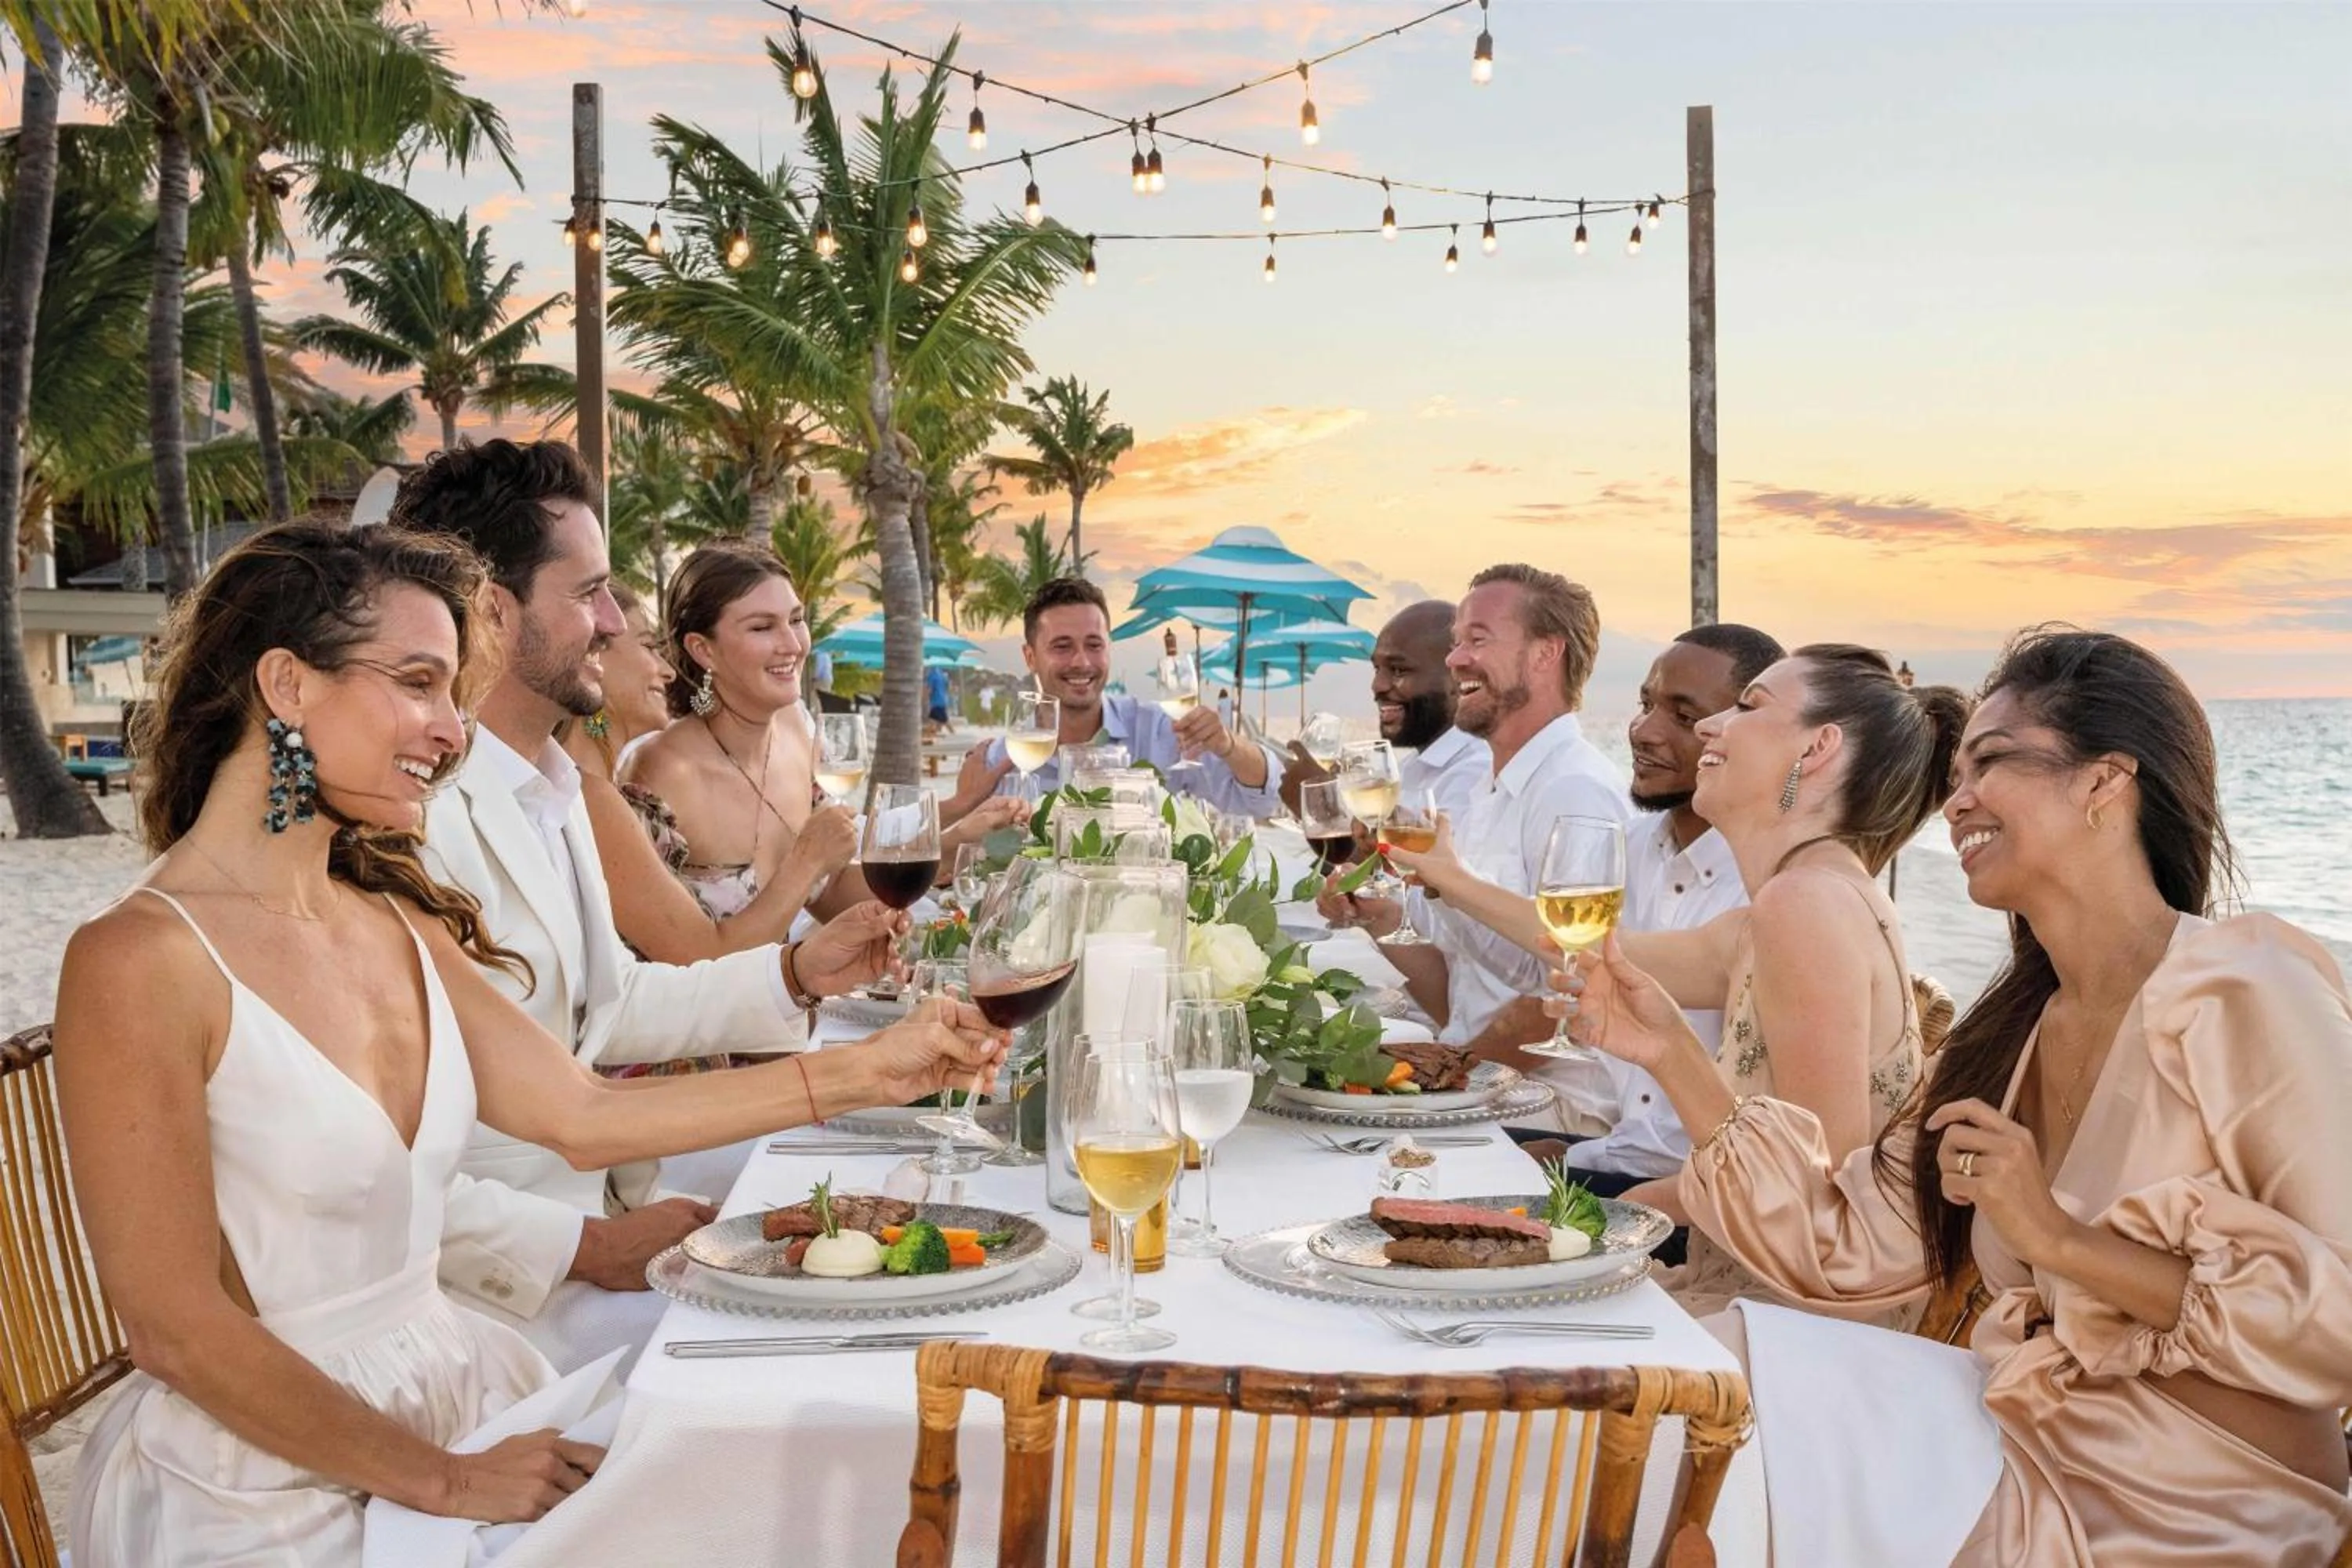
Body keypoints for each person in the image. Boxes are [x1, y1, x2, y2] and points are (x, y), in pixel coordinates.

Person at [53, 524, 1004, 1563]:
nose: (450, 731)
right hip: (262, 1471)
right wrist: (448, 1480)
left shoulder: (386, 914)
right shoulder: (139, 959)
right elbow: (175, 1329)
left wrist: (874, 1069)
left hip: (456, 1388)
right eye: (418, 683)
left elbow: (583, 1115)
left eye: (453, 692)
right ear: (287, 684)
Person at [1554, 628, 2352, 1566]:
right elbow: (1842, 1249)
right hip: (2022, 1432)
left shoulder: (2245, 983)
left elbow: (2339, 1322)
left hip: (2194, 1499)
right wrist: (1669, 1053)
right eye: (1959, 769)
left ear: (2104, 782)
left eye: (1994, 761)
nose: (1957, 798)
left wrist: (2059, 1239)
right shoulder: (2004, 1037)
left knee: (1697, 1434)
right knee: (1667, 1391)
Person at [390, 442, 916, 1370]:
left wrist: (795, 972)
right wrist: (588, 1246)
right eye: (590, 593)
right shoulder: (409, 815)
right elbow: (379, 1158)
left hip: (606, 1218)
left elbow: (613, 1003)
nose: (612, 623)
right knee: (838, 1353)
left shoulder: (554, 788)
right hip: (493, 1298)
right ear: (495, 609)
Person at [1396, 644, 1968, 1318]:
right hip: (1755, 1267)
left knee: (1433, 1286)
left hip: (1785, 1313)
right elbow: (1595, 949)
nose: (1712, 726)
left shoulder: (1805, 905)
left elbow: (1819, 1184)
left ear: (1816, 749)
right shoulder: (1792, 902)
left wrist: (1617, 1208)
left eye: (1748, 706)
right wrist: (1452, 880)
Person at [1317, 564, 1632, 1052]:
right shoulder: (1493, 787)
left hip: (1550, 1091)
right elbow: (1467, 993)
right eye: (1456, 642)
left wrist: (1462, 1072)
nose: (1455, 659)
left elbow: (1580, 982)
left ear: (1546, 654)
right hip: (1487, 1069)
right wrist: (1379, 917)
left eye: (1477, 640)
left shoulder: (1575, 791)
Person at [1518, 623, 1785, 1192]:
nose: (1643, 731)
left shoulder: (1770, 889)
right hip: (1618, 1154)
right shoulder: (1630, 848)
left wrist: (1444, 874)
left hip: (1699, 1197)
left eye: (1684, 717)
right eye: (1646, 705)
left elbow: (1774, 1162)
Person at [625, 545, 1023, 924]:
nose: (792, 644)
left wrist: (957, 841)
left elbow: (829, 891)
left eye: (797, 620)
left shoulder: (796, 729)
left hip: (793, 974)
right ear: (703, 649)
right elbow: (686, 951)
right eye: (762, 627)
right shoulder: (662, 772)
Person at [942, 577, 1287, 822]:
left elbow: (1260, 801)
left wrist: (1229, 745)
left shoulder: (1160, 731)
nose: (1082, 662)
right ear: (1030, 657)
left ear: (1109, 648)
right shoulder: (998, 762)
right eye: (1062, 646)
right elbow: (966, 866)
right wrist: (962, 805)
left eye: (1094, 645)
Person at [1283, 599, 1490, 828]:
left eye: (1399, 670)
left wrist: (1324, 806)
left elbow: (1429, 853)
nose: (1377, 686)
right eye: (1377, 669)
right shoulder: (1409, 768)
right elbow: (1375, 844)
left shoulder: (1475, 772)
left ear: (1456, 676)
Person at [925, 662, 953, 731]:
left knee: (939, 720)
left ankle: (953, 733)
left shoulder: (932, 675)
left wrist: (925, 697)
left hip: (936, 701)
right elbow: (948, 687)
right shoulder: (943, 675)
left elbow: (930, 689)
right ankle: (936, 731)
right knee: (937, 720)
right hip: (943, 699)